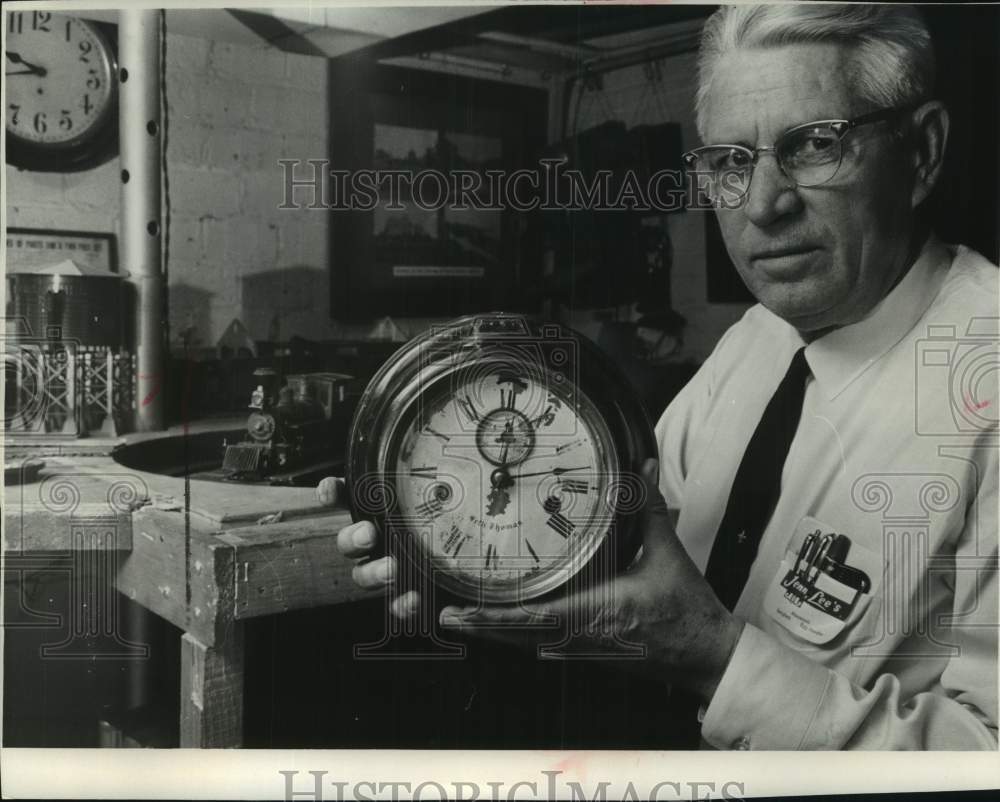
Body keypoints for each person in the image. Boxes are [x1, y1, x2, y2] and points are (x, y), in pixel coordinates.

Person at [336, 4, 998, 750]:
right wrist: (451, 542)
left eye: (815, 145)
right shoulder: (756, 340)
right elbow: (615, 551)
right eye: (730, 162)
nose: (764, 206)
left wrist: (716, 661)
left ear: (924, 152)